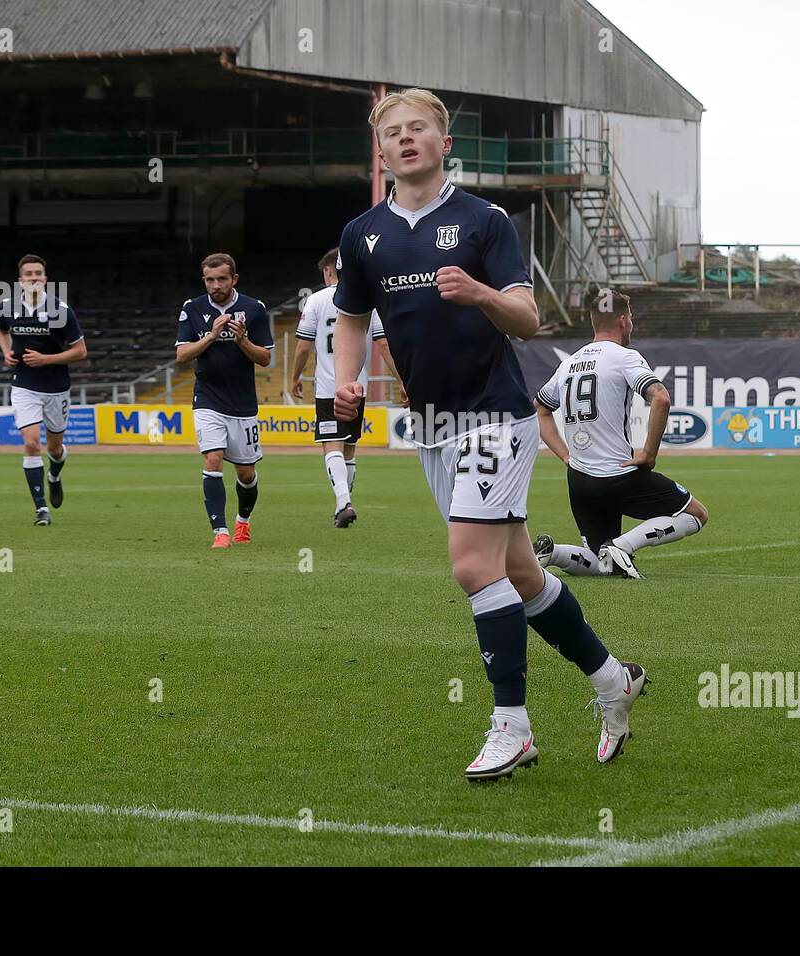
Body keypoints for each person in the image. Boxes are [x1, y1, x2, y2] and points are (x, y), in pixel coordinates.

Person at [332, 89, 648, 780]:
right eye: (393, 132)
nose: (406, 138)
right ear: (380, 153)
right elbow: (352, 317)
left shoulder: (485, 220)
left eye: (420, 129)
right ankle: (609, 678)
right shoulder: (362, 235)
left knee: (473, 566)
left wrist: (480, 293)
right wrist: (348, 379)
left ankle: (513, 727)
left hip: (496, 416)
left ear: (445, 144)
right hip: (435, 426)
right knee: (519, 573)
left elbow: (528, 319)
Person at [533, 289, 710, 580]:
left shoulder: (568, 363)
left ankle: (553, 553)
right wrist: (649, 455)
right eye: (632, 319)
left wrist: (565, 455)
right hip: (617, 474)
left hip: (579, 478)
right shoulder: (624, 357)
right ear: (623, 321)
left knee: (598, 560)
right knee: (696, 514)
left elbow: (540, 407)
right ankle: (624, 545)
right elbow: (661, 398)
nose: (633, 325)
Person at [291, 247, 403, 526]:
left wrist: (295, 377)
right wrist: (402, 380)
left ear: (329, 270)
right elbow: (384, 344)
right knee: (350, 447)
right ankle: (343, 503)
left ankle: (344, 502)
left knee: (332, 446)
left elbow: (303, 346)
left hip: (330, 386)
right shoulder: (368, 301)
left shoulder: (316, 301)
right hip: (358, 386)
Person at [175, 253, 274, 549]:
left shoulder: (254, 309)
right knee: (212, 458)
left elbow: (266, 358)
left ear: (234, 279)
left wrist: (242, 340)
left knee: (246, 473)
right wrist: (212, 335)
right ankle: (220, 530)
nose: (216, 285)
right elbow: (181, 355)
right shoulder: (192, 309)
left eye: (221, 279)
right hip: (207, 397)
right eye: (210, 280)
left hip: (242, 402)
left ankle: (243, 521)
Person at [0, 254, 86, 526]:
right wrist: (7, 351)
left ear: (45, 279)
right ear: (20, 281)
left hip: (57, 388)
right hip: (24, 385)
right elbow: (1, 331)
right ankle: (40, 509)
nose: (33, 278)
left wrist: (47, 360)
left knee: (54, 448)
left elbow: (80, 351)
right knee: (31, 443)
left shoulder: (62, 310)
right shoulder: (8, 307)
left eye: (38, 274)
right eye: (28, 274)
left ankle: (54, 476)